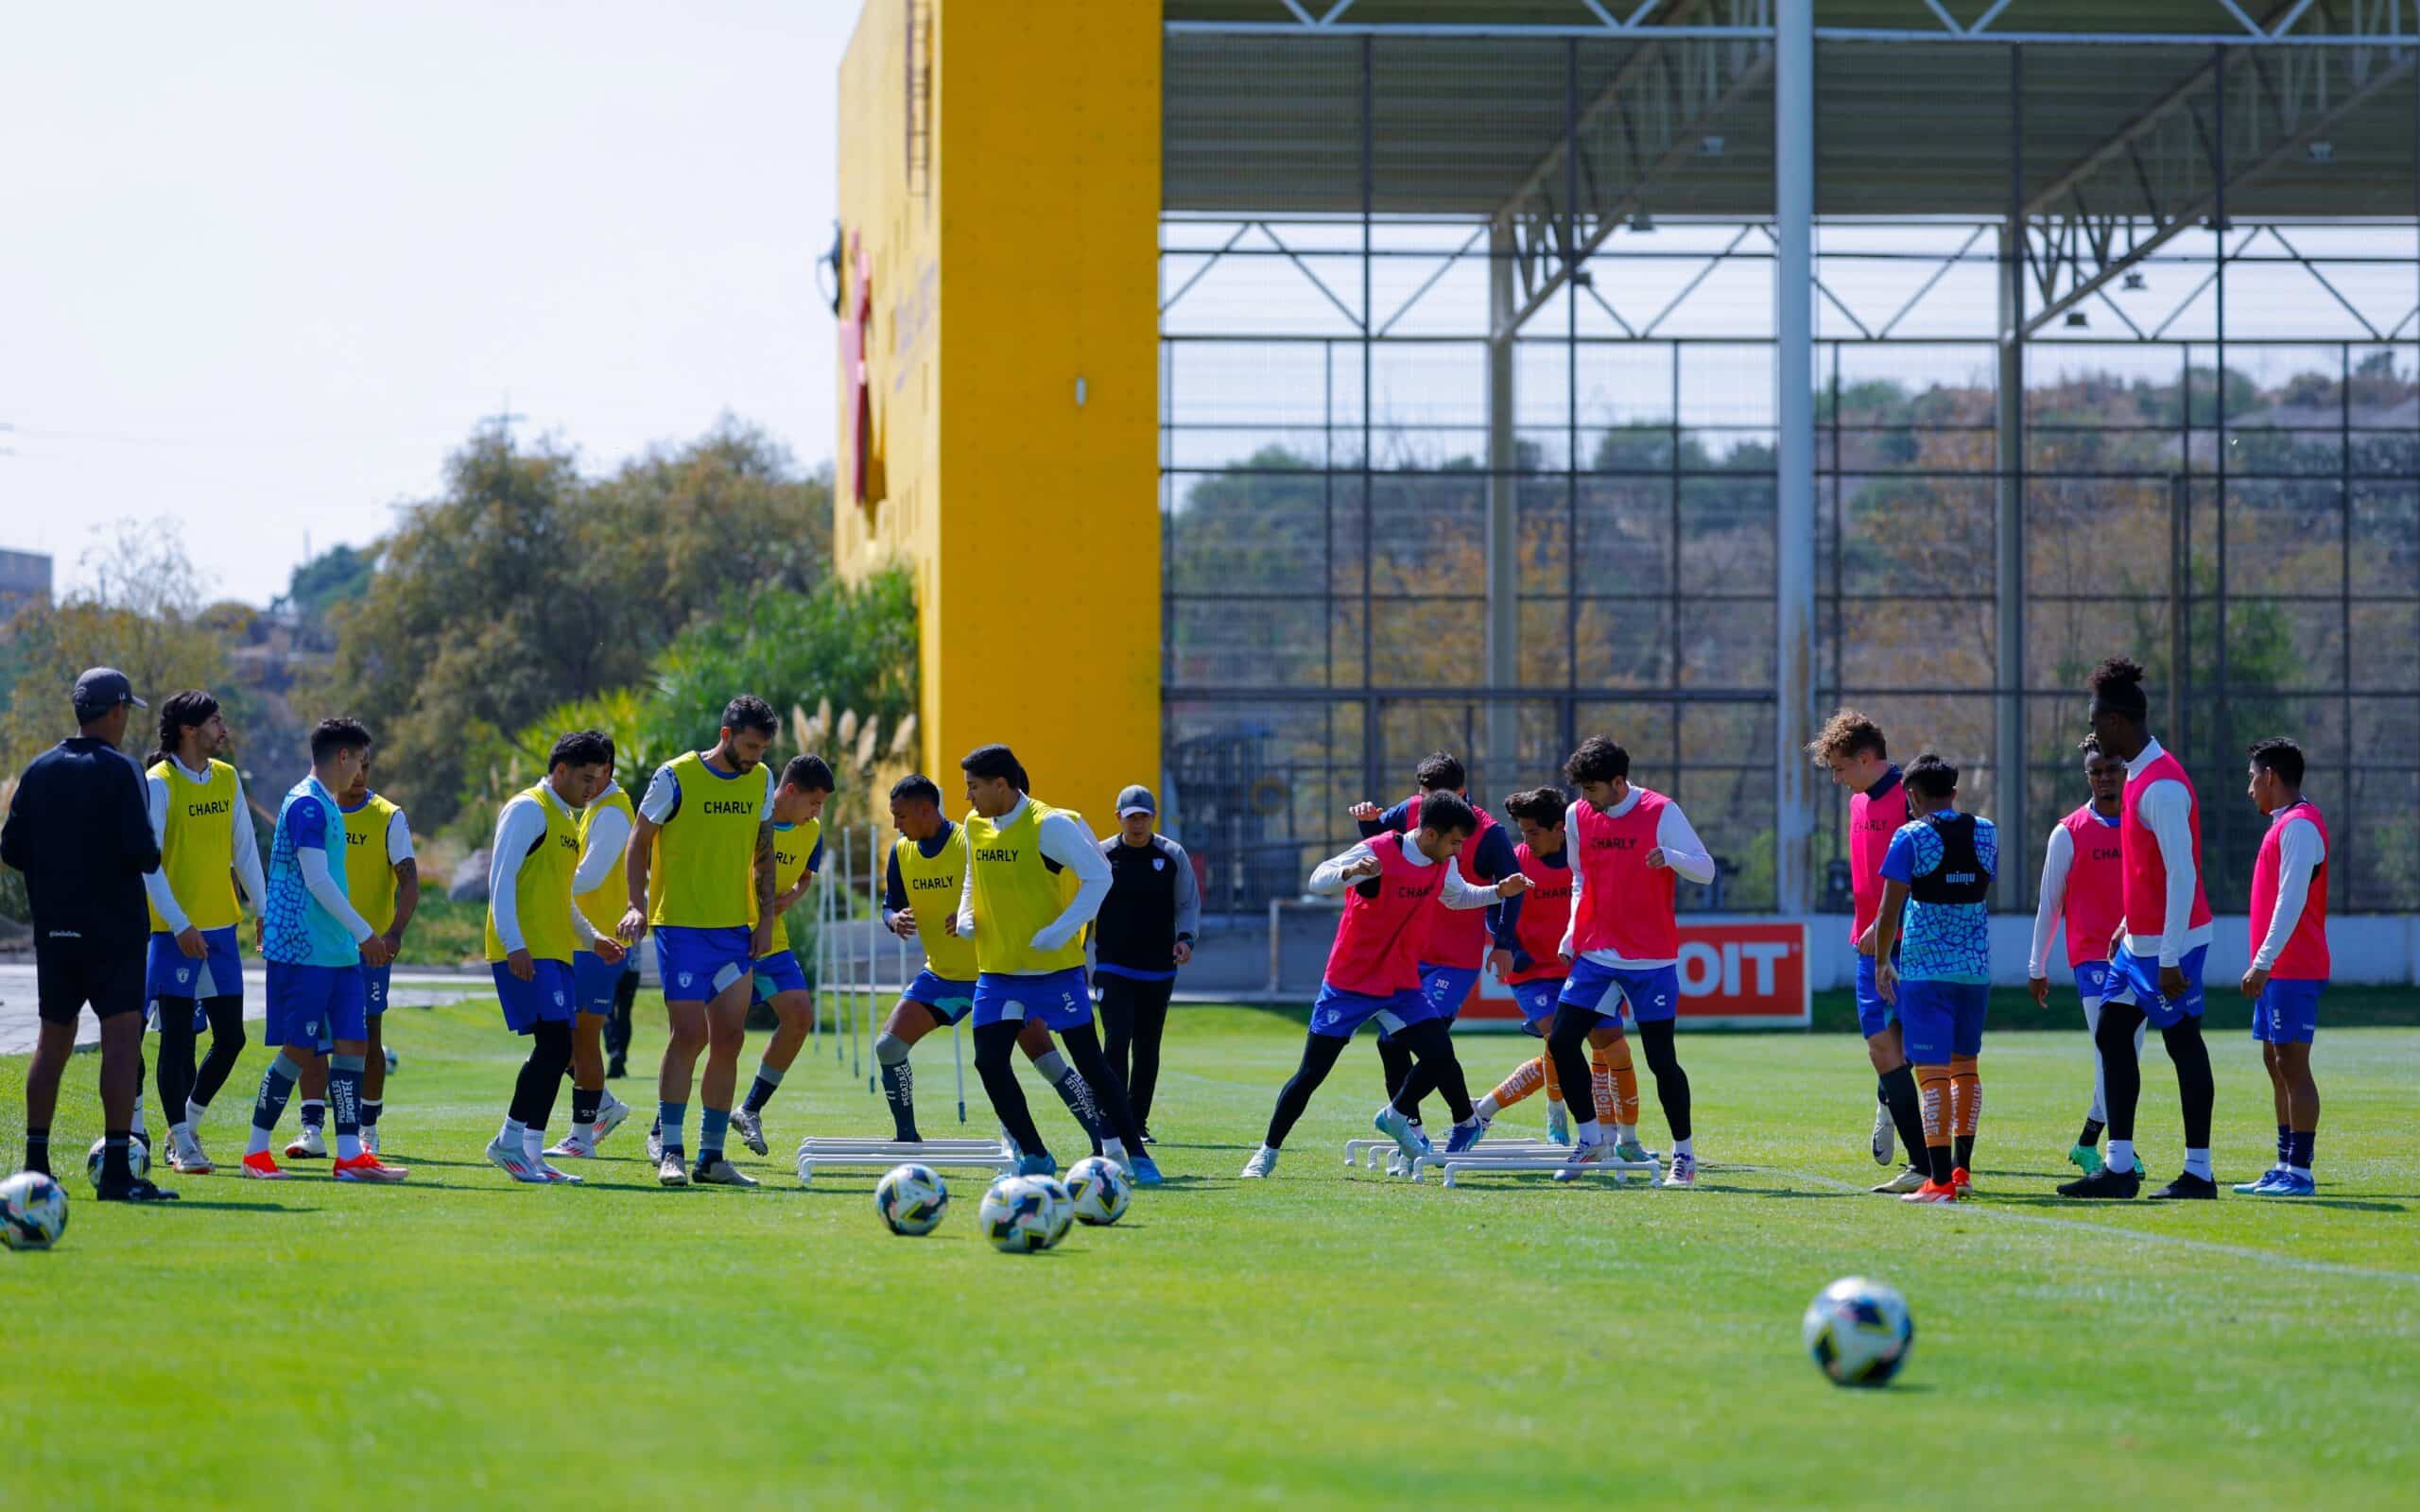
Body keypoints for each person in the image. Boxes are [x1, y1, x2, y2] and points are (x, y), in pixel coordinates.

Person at [1238, 791, 1527, 1179]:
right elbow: (1318, 879)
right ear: (1428, 834)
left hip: (1402, 984)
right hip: (1350, 983)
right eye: (1455, 841)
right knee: (1311, 1074)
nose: (1459, 850)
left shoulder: (1443, 863)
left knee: (1440, 1053)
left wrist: (1498, 892)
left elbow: (1457, 897)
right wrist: (1350, 872)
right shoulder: (1377, 849)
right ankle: (1266, 1153)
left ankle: (1404, 1120)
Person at [1, 668, 176, 1200]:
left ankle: (36, 1165)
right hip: (115, 933)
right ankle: (118, 1173)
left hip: (55, 930)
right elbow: (145, 854)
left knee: (53, 1038)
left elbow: (9, 849)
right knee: (121, 1042)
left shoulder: (38, 770)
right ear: (118, 711)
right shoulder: (123, 772)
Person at [952, 744, 1161, 1184]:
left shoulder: (1049, 826)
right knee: (989, 1062)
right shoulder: (974, 825)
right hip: (998, 971)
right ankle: (1034, 1155)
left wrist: (1062, 930)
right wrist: (968, 913)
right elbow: (973, 873)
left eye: (973, 787)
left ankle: (1138, 1156)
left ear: (1001, 785)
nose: (967, 797)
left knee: (1091, 1064)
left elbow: (1099, 876)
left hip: (1055, 973)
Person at [2059, 657, 2221, 1201]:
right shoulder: (2137, 777)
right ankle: (2119, 1167)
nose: (2093, 730)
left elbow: (2183, 873)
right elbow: (2149, 869)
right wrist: (2129, 924)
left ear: (2116, 723)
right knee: (2111, 1033)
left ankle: (2198, 1172)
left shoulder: (2162, 787)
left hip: (2170, 946)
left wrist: (2170, 954)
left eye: (2096, 721)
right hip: (2139, 942)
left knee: (2182, 1044)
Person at [876, 774, 1108, 1146]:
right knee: (888, 1047)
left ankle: (1104, 1137)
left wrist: (971, 916)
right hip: (941, 977)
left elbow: (1007, 889)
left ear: (925, 809)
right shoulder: (900, 852)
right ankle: (907, 1138)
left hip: (999, 975)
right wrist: (893, 919)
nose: (895, 824)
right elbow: (890, 903)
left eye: (900, 815)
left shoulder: (970, 837)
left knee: (1048, 1063)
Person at [620, 696, 779, 1188]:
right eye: (750, 745)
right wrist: (636, 904)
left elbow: (765, 851)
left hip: (734, 932)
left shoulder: (762, 780)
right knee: (689, 1036)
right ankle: (670, 1149)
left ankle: (711, 1158)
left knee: (730, 1039)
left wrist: (765, 919)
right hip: (681, 929)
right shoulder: (675, 776)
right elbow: (638, 840)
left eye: (763, 747)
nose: (756, 756)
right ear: (726, 735)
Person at [238, 717, 405, 1182]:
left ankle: (350, 1155)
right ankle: (255, 1153)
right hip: (304, 951)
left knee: (353, 1044)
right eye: (360, 762)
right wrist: (365, 934)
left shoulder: (328, 804)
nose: (362, 773)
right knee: (298, 1050)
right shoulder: (308, 805)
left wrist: (352, 940)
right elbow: (317, 880)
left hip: (336, 952)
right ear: (342, 756)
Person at [1547, 738, 1716, 1188]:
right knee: (1562, 1041)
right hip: (1596, 952)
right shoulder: (1577, 815)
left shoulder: (1662, 812)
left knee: (1661, 1060)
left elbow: (1706, 868)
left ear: (1620, 782)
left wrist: (1671, 858)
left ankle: (1685, 1154)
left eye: (1593, 789)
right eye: (1581, 789)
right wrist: (1571, 931)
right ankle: (1591, 1139)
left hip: (1651, 958)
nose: (1586, 799)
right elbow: (1580, 878)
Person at [1347, 751, 1519, 1143]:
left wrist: (1503, 942)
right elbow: (1379, 850)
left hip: (1454, 959)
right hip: (1409, 953)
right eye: (1423, 798)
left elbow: (1513, 886)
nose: (1428, 807)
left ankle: (1403, 1114)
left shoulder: (1488, 832)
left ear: (1461, 792)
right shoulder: (1411, 810)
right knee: (1390, 1042)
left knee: (1429, 1040)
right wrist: (1366, 821)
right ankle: (1422, 1129)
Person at [138, 689, 267, 1177]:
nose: (224, 730)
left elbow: (245, 849)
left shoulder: (227, 778)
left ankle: (182, 1128)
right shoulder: (159, 782)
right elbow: (150, 866)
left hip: (220, 931)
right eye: (216, 722)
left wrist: (264, 910)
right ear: (189, 730)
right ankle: (184, 1144)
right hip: (174, 934)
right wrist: (179, 925)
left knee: (231, 1038)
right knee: (177, 1042)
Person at [1465, 785, 1634, 1152]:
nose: (1526, 839)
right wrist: (1509, 946)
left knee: (1605, 1048)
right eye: (1522, 831)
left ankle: (1610, 1136)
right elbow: (1492, 909)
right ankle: (1562, 1115)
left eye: (1533, 832)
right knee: (1560, 1040)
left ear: (1560, 828)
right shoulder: (1516, 861)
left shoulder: (1583, 857)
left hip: (1582, 969)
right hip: (1532, 972)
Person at [1806, 708, 1932, 1194]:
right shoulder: (1858, 802)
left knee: (1916, 1047)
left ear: (1865, 758)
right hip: (1867, 945)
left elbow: (1925, 870)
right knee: (1882, 1047)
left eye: (1840, 769)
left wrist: (1887, 925)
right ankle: (1919, 1158)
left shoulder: (1909, 797)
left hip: (1912, 943)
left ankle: (1932, 1159)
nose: (1837, 780)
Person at [483, 730, 616, 1183]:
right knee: (556, 1045)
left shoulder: (565, 819)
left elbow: (562, 898)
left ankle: (532, 1153)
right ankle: (508, 1141)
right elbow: (500, 882)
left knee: (558, 1049)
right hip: (527, 951)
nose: (590, 788)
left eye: (597, 779)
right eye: (584, 777)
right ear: (559, 771)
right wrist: (514, 944)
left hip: (557, 951)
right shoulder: (527, 809)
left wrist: (594, 936)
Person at [1869, 754, 1996, 1204]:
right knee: (1967, 1068)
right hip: (1975, 970)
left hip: (1926, 971)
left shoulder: (1910, 836)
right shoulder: (1987, 831)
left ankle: (1938, 1181)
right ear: (1955, 793)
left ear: (1912, 797)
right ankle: (1961, 1170)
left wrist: (1884, 961)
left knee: (1933, 1074)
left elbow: (1888, 913)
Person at [2027, 738, 2138, 1177]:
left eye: (2112, 768)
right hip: (2092, 958)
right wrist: (2037, 964)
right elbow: (2049, 903)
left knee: (2126, 1055)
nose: (2105, 777)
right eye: (2096, 771)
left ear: (2125, 769)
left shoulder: (2142, 823)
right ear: (2086, 775)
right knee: (2109, 1053)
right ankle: (2114, 1151)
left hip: (2138, 954)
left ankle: (2091, 1142)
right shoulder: (2068, 832)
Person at [727, 754, 834, 1157]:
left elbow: (805, 877)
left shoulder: (814, 831)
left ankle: (750, 1109)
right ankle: (663, 1129)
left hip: (774, 941)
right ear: (789, 791)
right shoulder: (751, 818)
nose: (817, 813)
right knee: (712, 1035)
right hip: (732, 937)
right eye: (814, 803)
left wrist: (793, 895)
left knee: (800, 1016)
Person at [2235, 737, 2328, 1197]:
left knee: (2293, 1064)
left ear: (2270, 776)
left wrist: (2262, 962)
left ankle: (2301, 1171)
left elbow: (2291, 902)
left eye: (2253, 779)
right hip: (2279, 971)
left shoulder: (2300, 827)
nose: (2250, 789)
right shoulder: (2283, 824)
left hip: (2293, 969)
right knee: (2275, 1062)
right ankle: (2282, 1163)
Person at [1091, 783, 1200, 1143]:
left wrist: (1185, 938)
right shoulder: (1102, 854)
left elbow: (1187, 903)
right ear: (1118, 817)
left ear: (1153, 818)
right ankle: (1112, 1119)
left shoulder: (1171, 854)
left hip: (1158, 965)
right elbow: (1082, 901)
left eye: (1143, 817)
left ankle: (1137, 1123)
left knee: (1147, 1045)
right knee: (1117, 1037)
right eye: (1131, 817)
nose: (1137, 824)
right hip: (1113, 963)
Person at [547, 738, 638, 1160]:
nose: (585, 782)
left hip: (600, 944)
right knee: (561, 1036)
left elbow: (588, 876)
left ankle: (582, 1137)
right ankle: (602, 1105)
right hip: (582, 940)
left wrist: (541, 886)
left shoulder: (613, 813)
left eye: (592, 772)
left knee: (582, 1038)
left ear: (607, 771)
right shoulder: (594, 810)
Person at [337, 750, 417, 1157]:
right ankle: (313, 1126)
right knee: (316, 1041)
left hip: (369, 953)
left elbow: (410, 883)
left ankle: (368, 1127)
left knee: (370, 1038)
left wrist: (394, 934)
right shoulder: (314, 809)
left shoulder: (388, 816)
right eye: (353, 767)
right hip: (322, 947)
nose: (360, 775)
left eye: (367, 767)